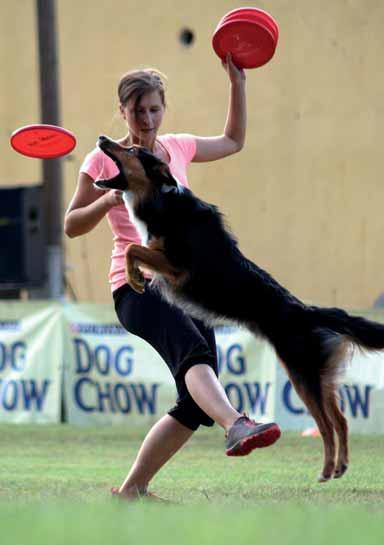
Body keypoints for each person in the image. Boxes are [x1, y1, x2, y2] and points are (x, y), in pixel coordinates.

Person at [64, 54, 281, 501]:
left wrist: (237, 81)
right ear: (122, 110)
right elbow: (71, 224)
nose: (147, 118)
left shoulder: (177, 148)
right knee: (195, 355)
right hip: (137, 284)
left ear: (164, 109)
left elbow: (233, 140)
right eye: (138, 109)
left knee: (194, 400)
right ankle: (236, 424)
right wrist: (108, 202)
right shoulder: (104, 161)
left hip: (184, 283)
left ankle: (132, 491)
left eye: (154, 109)